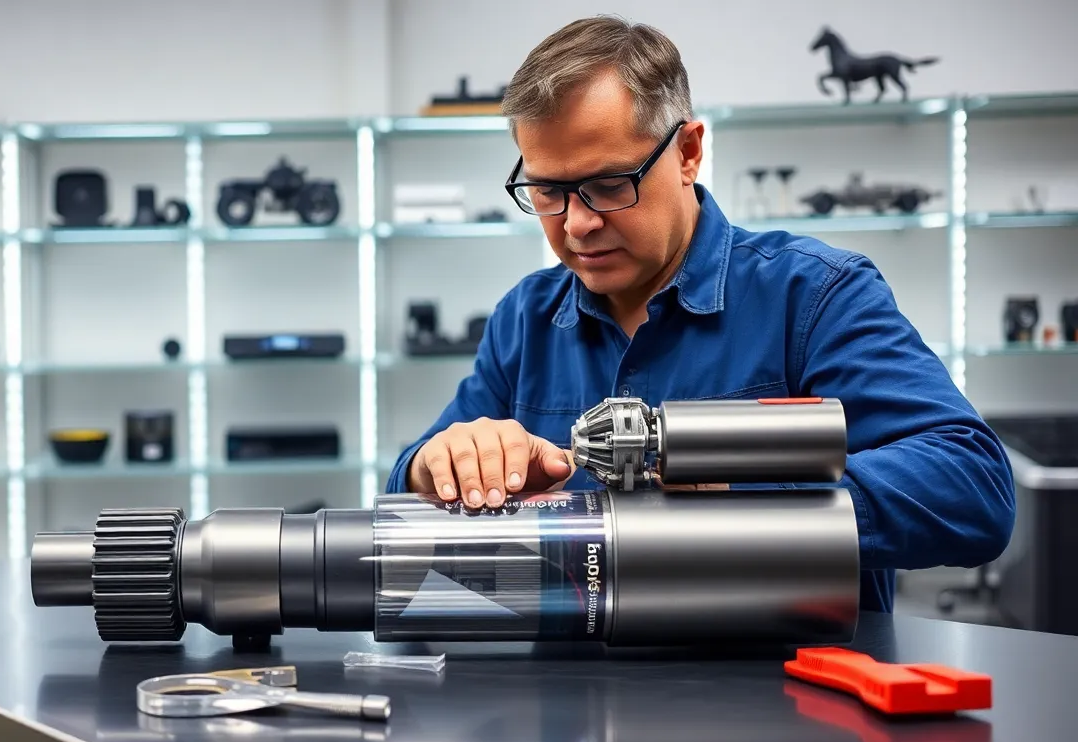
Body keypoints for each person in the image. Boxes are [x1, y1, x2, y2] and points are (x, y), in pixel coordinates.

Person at [383, 15, 1015, 613]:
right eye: (547, 191)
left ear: (687, 151)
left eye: (608, 185)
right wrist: (439, 463)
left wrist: (745, 495)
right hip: (565, 706)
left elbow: (972, 488)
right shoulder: (526, 319)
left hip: (784, 705)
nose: (577, 223)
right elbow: (408, 491)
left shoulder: (814, 296)